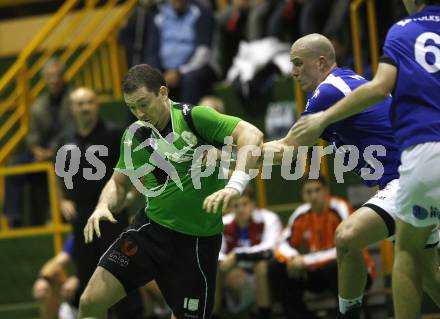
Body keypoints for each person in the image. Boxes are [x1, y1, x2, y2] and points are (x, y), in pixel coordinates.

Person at [263, 33, 440, 318]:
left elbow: (286, 149)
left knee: (347, 237)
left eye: (298, 63)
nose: (293, 71)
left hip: (408, 177)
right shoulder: (345, 84)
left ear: (321, 63)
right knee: (428, 273)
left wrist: (233, 149)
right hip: (415, 176)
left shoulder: (328, 92)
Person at [77, 64, 263, 319]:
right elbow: (119, 183)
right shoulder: (135, 135)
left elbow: (252, 135)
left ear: (163, 93)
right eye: (131, 107)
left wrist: (235, 185)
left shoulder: (194, 118)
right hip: (151, 232)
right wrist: (102, 206)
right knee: (90, 303)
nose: (139, 113)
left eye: (143, 103)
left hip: (197, 244)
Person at [56, 87, 144, 318]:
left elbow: (136, 166)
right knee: (87, 274)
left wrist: (130, 196)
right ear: (72, 109)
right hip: (81, 218)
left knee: (122, 269)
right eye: (80, 104)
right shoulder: (64, 140)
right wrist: (62, 200)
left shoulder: (114, 134)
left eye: (90, 102)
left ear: (97, 105)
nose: (85, 108)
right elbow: (58, 173)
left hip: (112, 214)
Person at [269, 177, 375, 319]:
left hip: (356, 271)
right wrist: (293, 258)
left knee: (335, 266)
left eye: (317, 190)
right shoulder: (301, 214)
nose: (313, 196)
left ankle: (345, 316)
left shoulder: (340, 208)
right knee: (276, 267)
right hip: (320, 270)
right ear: (303, 195)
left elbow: (345, 249)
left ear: (326, 191)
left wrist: (305, 261)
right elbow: (282, 245)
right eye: (308, 192)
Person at [3, 57, 73, 226]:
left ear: (62, 76)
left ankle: (56, 216)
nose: (54, 80)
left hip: (68, 150)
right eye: (50, 77)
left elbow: (72, 132)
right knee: (13, 169)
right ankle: (14, 218)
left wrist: (53, 150)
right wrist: (36, 149)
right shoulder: (39, 105)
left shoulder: (74, 100)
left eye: (57, 76)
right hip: (42, 152)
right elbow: (32, 135)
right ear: (45, 80)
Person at [213, 187, 282, 319]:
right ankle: (213, 313)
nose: (240, 209)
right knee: (216, 267)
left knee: (261, 265)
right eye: (236, 205)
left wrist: (238, 255)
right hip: (235, 272)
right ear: (231, 207)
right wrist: (229, 262)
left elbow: (269, 249)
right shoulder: (224, 223)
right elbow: (216, 251)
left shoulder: (268, 219)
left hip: (266, 274)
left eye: (244, 204)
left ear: (253, 204)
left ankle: (264, 313)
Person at [145, 0, 217, 104]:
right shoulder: (158, 15)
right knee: (144, 83)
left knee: (190, 80)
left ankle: (188, 119)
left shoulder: (201, 12)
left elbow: (203, 52)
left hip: (193, 68)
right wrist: (160, 76)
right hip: (165, 71)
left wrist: (180, 72)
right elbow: (152, 52)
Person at [32, 235, 79, 319]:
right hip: (82, 279)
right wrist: (44, 279)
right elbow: (62, 259)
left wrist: (78, 279)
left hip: (103, 280)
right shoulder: (79, 231)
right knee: (50, 285)